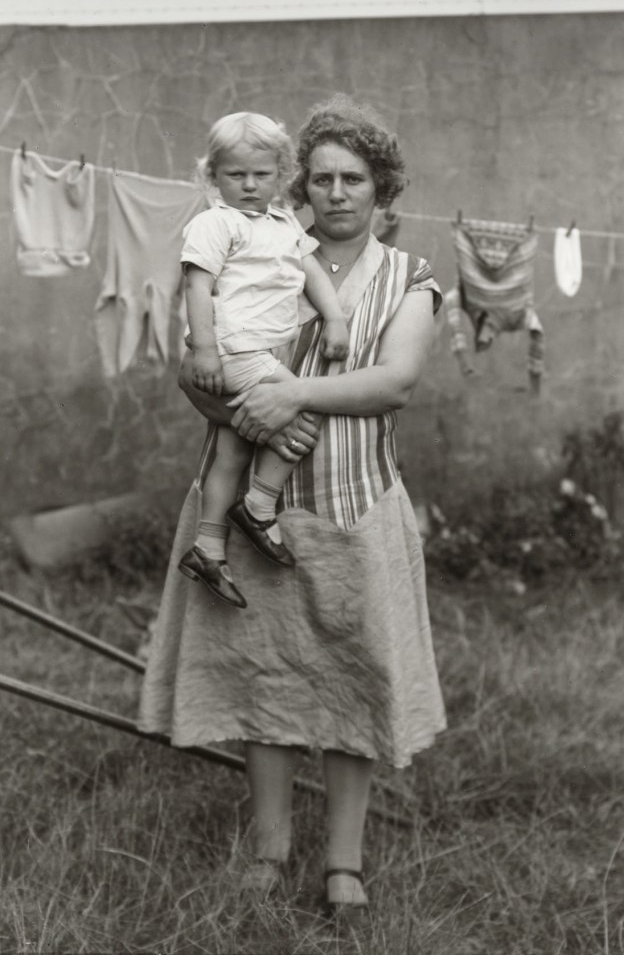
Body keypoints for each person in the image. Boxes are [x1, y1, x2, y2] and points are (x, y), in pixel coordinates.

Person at [139, 95, 446, 923]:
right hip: (250, 508)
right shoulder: (253, 247)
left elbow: (396, 382)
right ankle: (269, 851)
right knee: (262, 676)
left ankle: (343, 863)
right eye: (321, 178)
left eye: (355, 178)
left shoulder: (409, 276)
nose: (337, 192)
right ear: (297, 186)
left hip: (356, 505)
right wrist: (239, 407)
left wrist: (293, 394)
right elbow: (195, 370)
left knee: (353, 679)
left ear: (383, 188)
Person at [178, 112, 349, 608]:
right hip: (233, 348)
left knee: (234, 448)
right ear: (213, 177)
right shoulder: (215, 222)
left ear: (282, 175)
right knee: (302, 404)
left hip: (261, 349)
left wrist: (333, 318)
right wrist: (205, 349)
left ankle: (208, 548)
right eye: (236, 175)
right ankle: (258, 506)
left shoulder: (282, 223)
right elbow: (197, 285)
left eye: (262, 175)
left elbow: (310, 268)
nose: (250, 186)